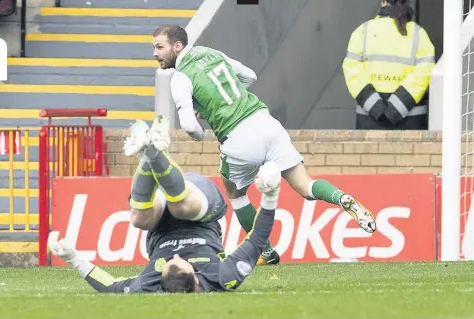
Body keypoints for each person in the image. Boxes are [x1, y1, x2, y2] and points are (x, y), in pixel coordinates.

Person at [147, 25, 377, 265]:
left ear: (177, 46)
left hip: (238, 137)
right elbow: (249, 76)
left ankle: (266, 252)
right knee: (306, 186)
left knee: (235, 194)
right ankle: (343, 199)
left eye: (159, 47)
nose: (155, 53)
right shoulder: (211, 53)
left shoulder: (180, 77)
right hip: (266, 122)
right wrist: (224, 99)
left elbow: (191, 127)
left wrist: (203, 128)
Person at [48, 115, 282, 293]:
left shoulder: (151, 282)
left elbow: (111, 287)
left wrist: (73, 258)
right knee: (181, 207)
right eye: (180, 263)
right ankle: (152, 152)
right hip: (201, 205)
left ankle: (150, 151)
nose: (175, 257)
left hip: (159, 219)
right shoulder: (223, 277)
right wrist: (270, 195)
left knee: (138, 219)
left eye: (168, 263)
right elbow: (257, 239)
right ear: (196, 279)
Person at [342, 0, 435, 130]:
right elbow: (425, 71)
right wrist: (397, 106)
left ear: (383, 2)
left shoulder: (363, 31)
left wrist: (375, 105)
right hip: (410, 120)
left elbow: (352, 70)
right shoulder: (418, 34)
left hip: (371, 118)